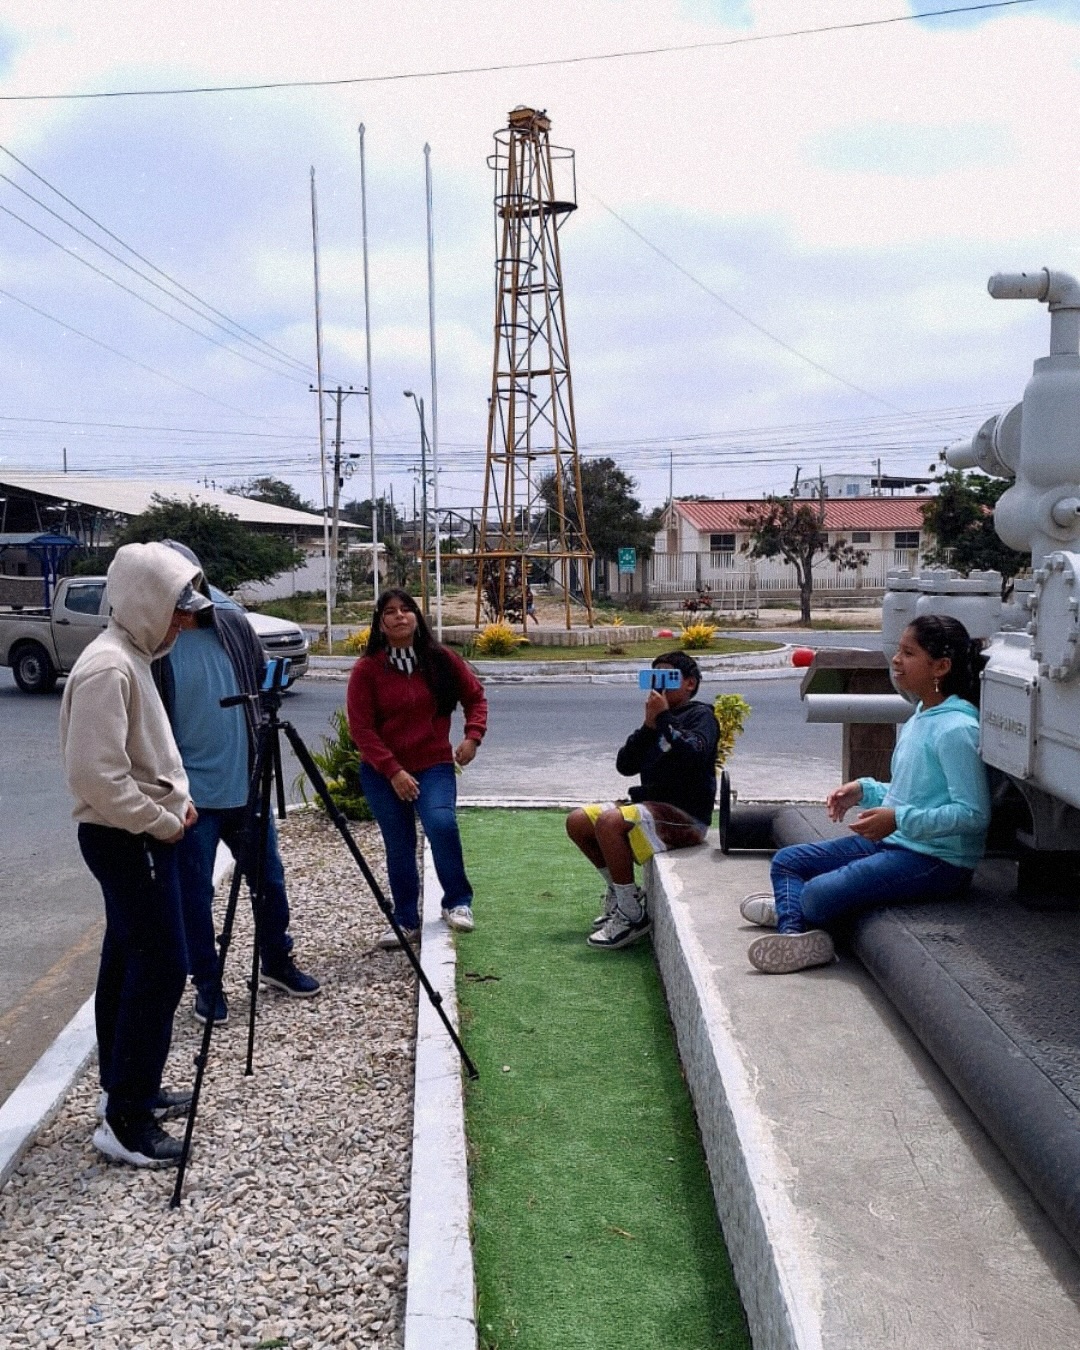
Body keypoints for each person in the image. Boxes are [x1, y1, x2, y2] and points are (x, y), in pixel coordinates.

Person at [59, 541, 208, 1168]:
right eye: (178, 607)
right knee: (162, 966)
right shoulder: (109, 668)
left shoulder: (134, 656)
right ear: (147, 600)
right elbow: (99, 778)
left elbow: (149, 755)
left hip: (143, 832)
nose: (185, 620)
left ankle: (124, 1090)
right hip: (128, 837)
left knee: (126, 959)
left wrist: (180, 802)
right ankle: (126, 1120)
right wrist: (160, 822)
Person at [741, 614, 991, 974]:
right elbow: (915, 791)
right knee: (788, 862)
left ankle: (793, 914)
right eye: (899, 650)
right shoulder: (923, 713)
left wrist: (898, 819)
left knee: (816, 894)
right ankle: (795, 931)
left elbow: (973, 814)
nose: (896, 659)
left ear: (940, 667)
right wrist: (865, 790)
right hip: (899, 842)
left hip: (937, 862)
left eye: (908, 652)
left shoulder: (956, 729)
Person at [154, 541, 321, 1025]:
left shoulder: (229, 622)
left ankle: (277, 962)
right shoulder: (155, 640)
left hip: (246, 786)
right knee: (195, 896)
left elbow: (260, 694)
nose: (187, 601)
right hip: (189, 797)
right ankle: (207, 985)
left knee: (268, 880)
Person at [346, 588, 488, 945]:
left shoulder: (442, 660)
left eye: (406, 609)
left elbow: (475, 697)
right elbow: (361, 728)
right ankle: (405, 919)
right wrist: (393, 771)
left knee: (441, 823)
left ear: (416, 617)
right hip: (382, 774)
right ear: (380, 623)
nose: (399, 616)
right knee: (399, 843)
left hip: (434, 765)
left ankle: (457, 902)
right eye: (390, 611)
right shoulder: (367, 670)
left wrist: (473, 736)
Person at [566, 650, 719, 950]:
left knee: (611, 822)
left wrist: (663, 720)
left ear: (690, 683)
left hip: (685, 815)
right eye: (655, 677)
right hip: (651, 806)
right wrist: (649, 727)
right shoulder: (655, 723)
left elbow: (695, 754)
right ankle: (622, 894)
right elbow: (625, 765)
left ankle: (632, 915)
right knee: (579, 821)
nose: (660, 685)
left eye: (669, 677)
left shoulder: (702, 716)